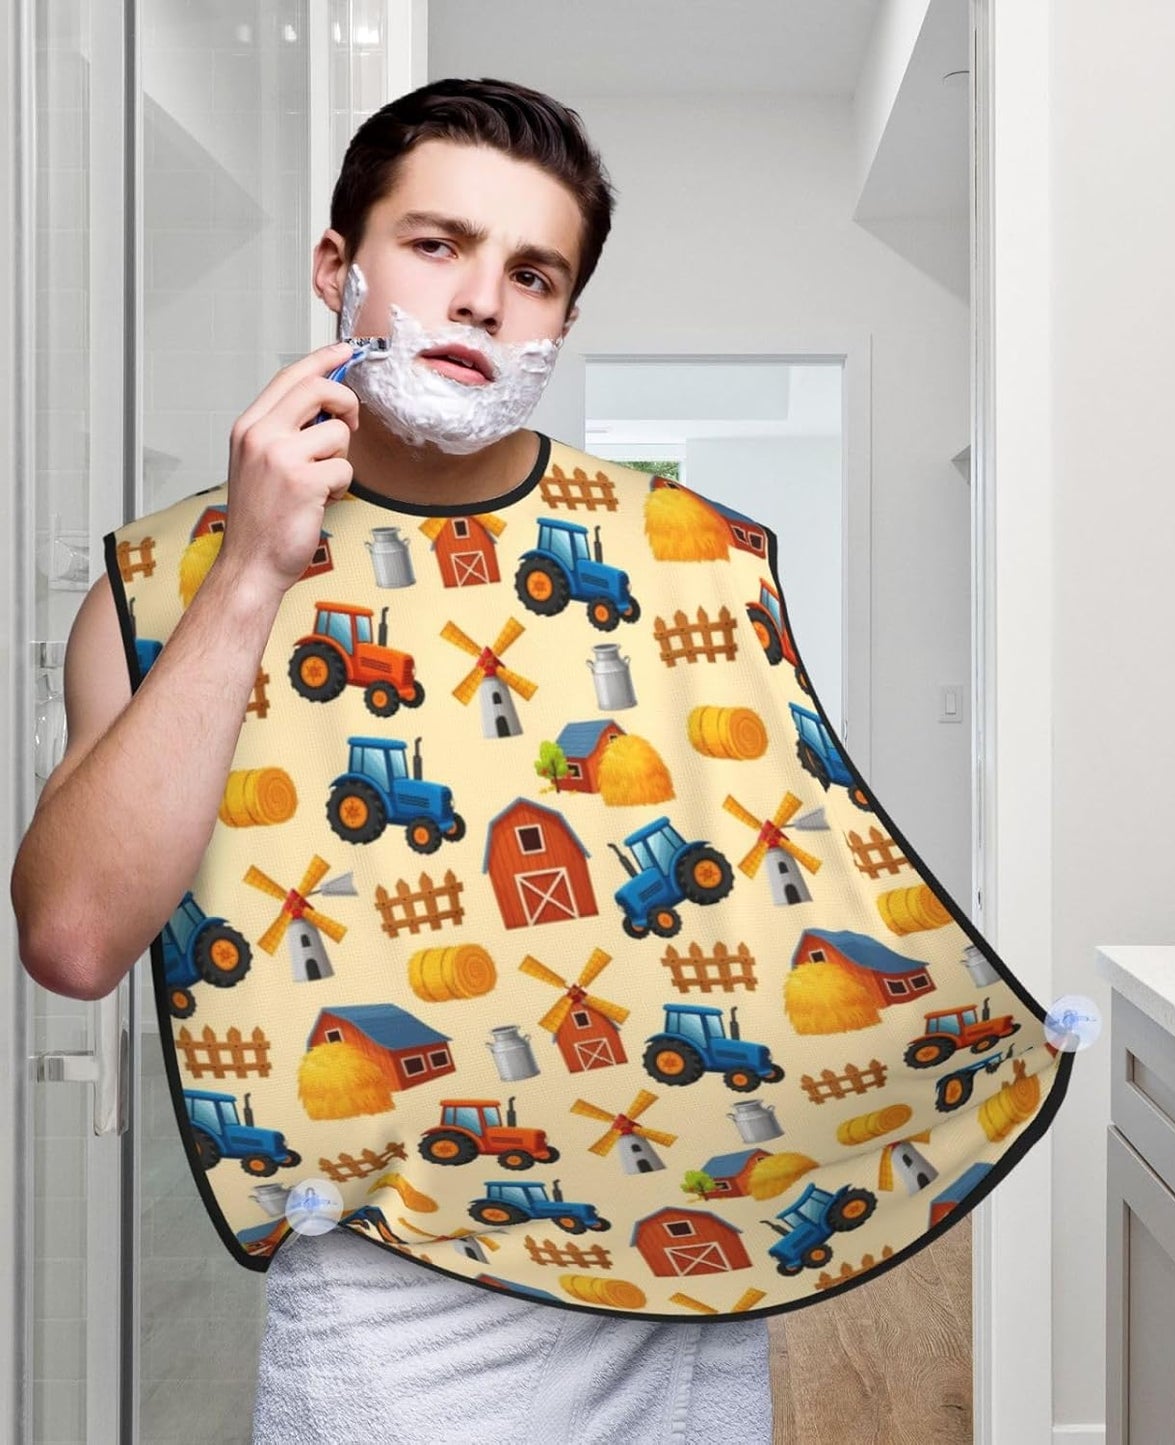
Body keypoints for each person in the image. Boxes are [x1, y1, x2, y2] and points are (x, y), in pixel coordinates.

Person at [11, 77, 773, 1444]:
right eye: (437, 245)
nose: (483, 298)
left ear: (563, 318)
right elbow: (71, 939)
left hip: (679, 1248)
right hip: (389, 1296)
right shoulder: (156, 580)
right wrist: (251, 569)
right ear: (335, 269)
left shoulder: (690, 560)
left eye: (531, 272)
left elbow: (766, 890)